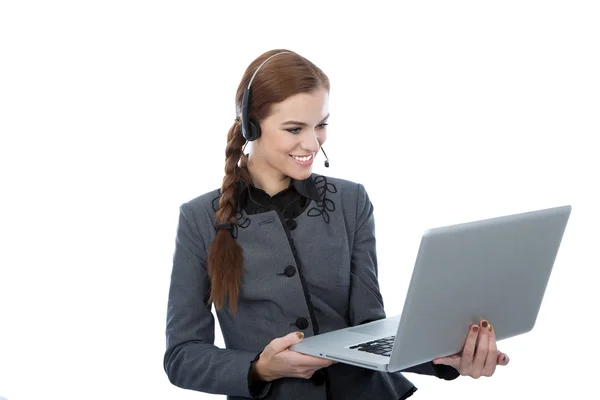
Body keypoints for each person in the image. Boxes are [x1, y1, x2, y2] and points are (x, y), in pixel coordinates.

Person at [163, 49, 510, 400]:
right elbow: (182, 355)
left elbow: (369, 329)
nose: (313, 143)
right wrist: (259, 368)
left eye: (321, 125)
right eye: (294, 128)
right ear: (251, 125)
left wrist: (442, 358)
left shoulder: (350, 201)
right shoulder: (198, 219)